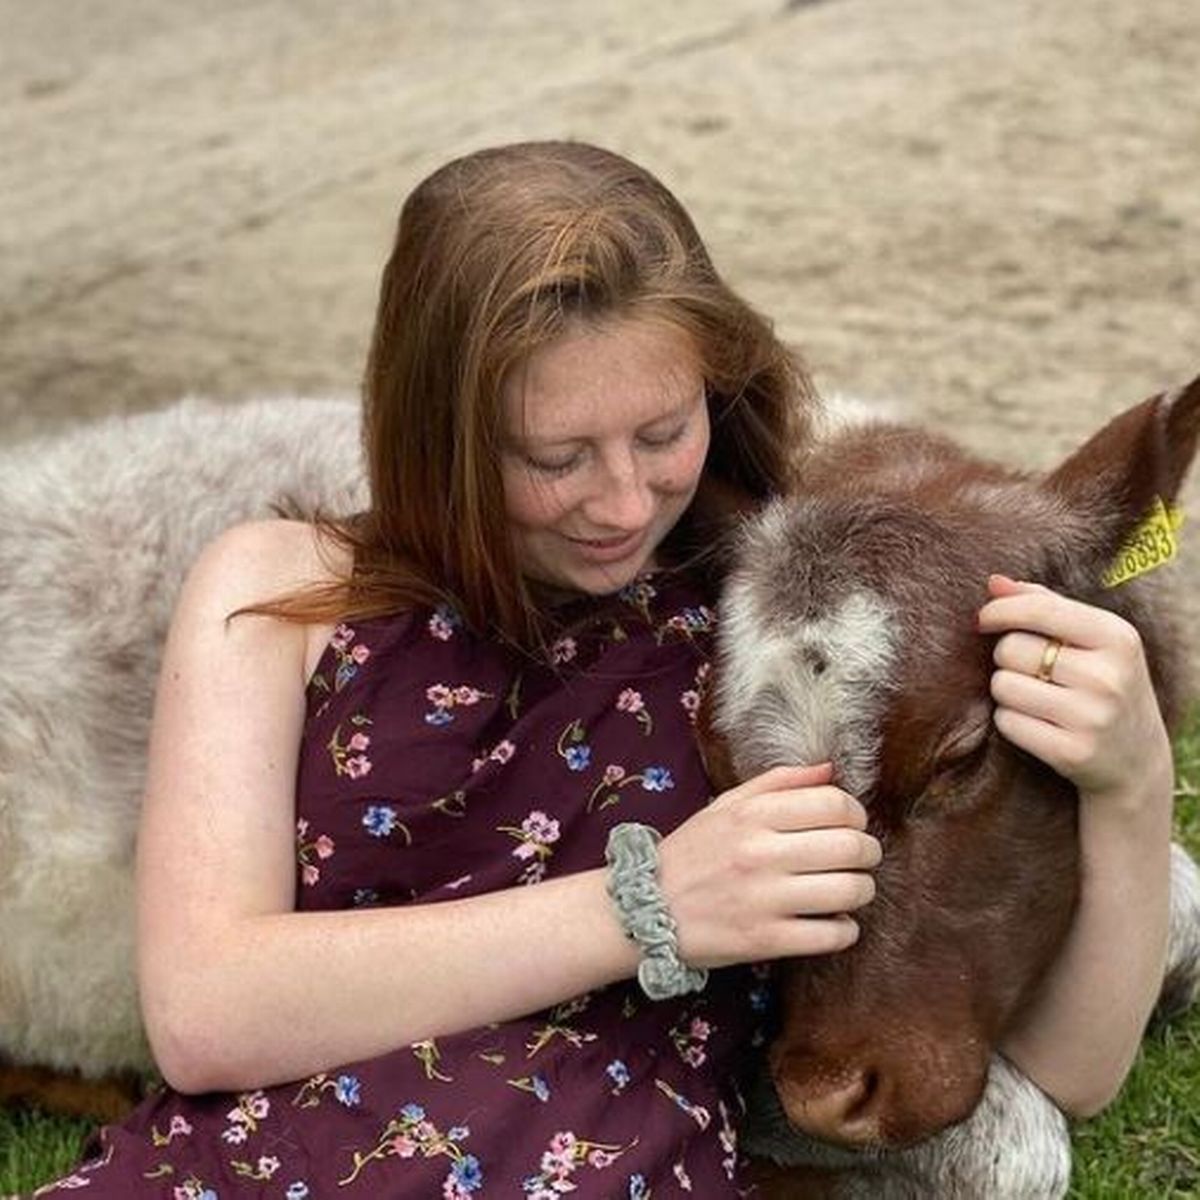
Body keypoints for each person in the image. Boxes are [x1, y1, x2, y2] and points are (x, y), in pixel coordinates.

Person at [32, 141, 1174, 1198]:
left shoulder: (751, 622)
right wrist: (650, 909)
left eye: (664, 432)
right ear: (441, 432)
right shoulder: (276, 589)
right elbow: (204, 1012)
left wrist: (1133, 787)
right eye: (556, 457)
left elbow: (1055, 1072)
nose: (624, 503)